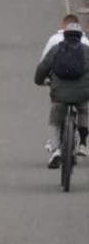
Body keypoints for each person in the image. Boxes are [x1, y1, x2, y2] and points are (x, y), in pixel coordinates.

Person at [35, 23, 89, 166]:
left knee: (56, 113)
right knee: (84, 110)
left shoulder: (56, 49)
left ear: (64, 36)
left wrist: (39, 81)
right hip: (82, 93)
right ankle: (83, 143)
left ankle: (57, 147)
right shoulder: (86, 50)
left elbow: (43, 68)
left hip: (59, 92)